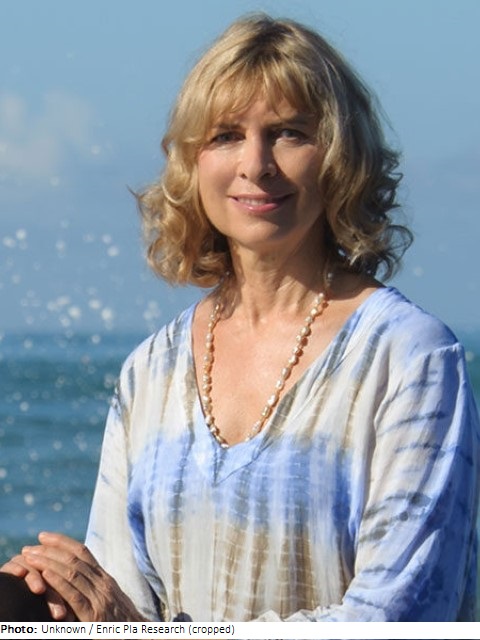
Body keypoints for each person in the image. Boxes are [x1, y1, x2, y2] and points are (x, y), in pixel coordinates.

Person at [2, 13, 479, 622]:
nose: (256, 164)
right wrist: (53, 599)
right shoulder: (150, 372)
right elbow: (123, 613)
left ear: (340, 157)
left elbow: (398, 620)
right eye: (226, 135)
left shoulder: (410, 359)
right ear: (192, 162)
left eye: (288, 133)